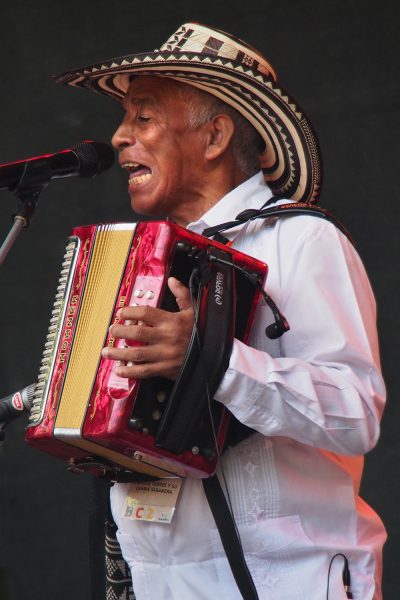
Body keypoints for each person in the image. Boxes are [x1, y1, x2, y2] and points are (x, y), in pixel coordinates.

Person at [56, 23, 386, 600]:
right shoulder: (145, 261)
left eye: (143, 117)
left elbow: (355, 413)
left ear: (213, 137)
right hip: (157, 579)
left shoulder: (302, 241)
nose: (117, 137)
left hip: (284, 579)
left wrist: (214, 362)